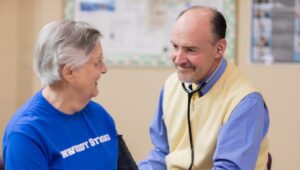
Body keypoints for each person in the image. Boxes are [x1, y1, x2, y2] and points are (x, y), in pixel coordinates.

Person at [139, 6, 270, 170]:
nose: (178, 60)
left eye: (190, 50)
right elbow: (161, 153)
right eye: (175, 46)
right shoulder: (171, 85)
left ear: (219, 49)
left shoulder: (245, 102)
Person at [2, 20, 135, 170]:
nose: (104, 69)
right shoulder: (26, 134)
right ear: (70, 72)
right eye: (97, 62)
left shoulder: (99, 115)